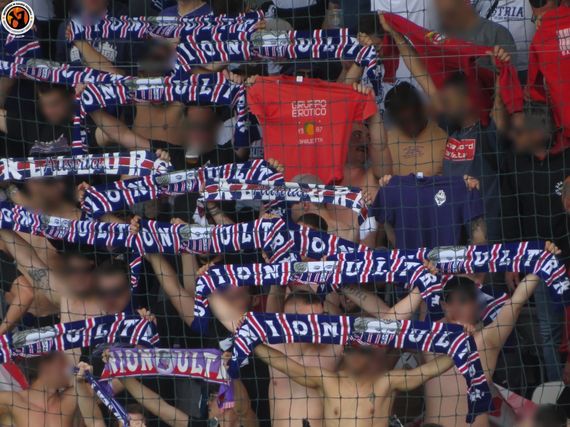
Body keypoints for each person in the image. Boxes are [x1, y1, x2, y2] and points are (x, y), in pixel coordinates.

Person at [422, 241, 561, 427]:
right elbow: (517, 302)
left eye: (464, 300)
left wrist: (542, 262)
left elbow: (516, 303)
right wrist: (541, 263)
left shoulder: (480, 340)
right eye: (455, 301)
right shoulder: (434, 338)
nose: (457, 307)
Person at [254, 342, 454, 427]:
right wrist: (252, 342)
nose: (357, 357)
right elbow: (286, 365)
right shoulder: (327, 380)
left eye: (363, 352)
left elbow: (428, 371)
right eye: (352, 350)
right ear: (344, 352)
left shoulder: (385, 382)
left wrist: (462, 346)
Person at [383, 82, 448, 177]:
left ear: (422, 108)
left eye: (414, 117)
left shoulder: (444, 136)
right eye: (403, 121)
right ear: (393, 118)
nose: (409, 122)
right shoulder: (386, 142)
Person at [0, 352, 77, 426]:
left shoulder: (69, 399)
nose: (68, 366)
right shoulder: (11, 401)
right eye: (62, 362)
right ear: (46, 367)